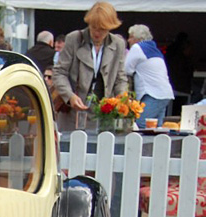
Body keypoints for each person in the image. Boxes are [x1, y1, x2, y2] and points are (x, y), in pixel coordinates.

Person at [52, 1, 128, 132]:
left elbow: (120, 78)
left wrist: (122, 100)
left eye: (102, 29)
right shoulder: (73, 39)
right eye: (94, 27)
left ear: (110, 27)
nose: (97, 33)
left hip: (104, 114)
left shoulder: (118, 44)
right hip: (73, 112)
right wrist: (70, 96)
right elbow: (59, 72)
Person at [124, 25, 173, 128]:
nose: (128, 40)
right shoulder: (155, 50)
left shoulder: (137, 47)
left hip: (152, 94)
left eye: (130, 37)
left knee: (141, 124)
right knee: (156, 128)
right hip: (164, 93)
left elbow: (126, 69)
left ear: (138, 38)